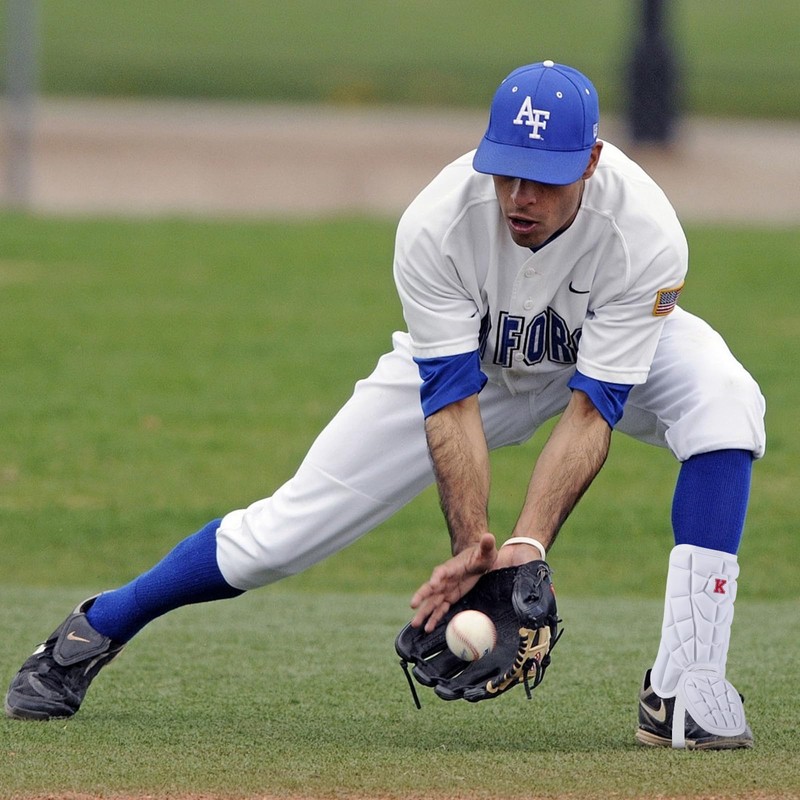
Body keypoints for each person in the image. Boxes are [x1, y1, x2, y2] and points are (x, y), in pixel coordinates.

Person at [5, 60, 765, 750]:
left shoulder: (645, 233)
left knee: (725, 402)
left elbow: (592, 408)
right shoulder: (437, 224)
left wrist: (527, 549)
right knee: (281, 537)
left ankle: (685, 689)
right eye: (505, 172)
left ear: (593, 163)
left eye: (545, 178)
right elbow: (452, 402)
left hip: (603, 355)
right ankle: (93, 629)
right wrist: (474, 546)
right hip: (474, 375)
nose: (519, 196)